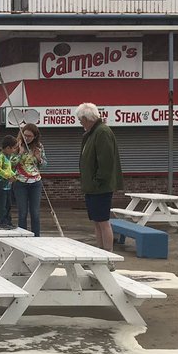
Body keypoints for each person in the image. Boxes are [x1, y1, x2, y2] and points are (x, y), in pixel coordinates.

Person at [76, 103, 121, 251]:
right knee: (97, 221)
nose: (80, 122)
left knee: (103, 221)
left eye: (80, 119)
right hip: (92, 187)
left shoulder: (102, 132)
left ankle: (108, 255)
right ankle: (100, 252)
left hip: (100, 187)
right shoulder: (92, 133)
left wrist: (96, 182)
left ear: (86, 118)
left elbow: (106, 161)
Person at [13, 123, 46, 236]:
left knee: (35, 212)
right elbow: (11, 164)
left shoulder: (39, 147)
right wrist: (20, 153)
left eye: (30, 136)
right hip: (20, 182)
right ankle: (23, 237)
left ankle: (36, 237)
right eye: (25, 135)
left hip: (35, 182)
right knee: (22, 212)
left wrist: (39, 158)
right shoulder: (17, 146)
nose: (26, 138)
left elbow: (45, 164)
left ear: (35, 137)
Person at [0, 136, 18, 229]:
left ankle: (8, 221)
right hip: (1, 185)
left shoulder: (8, 157)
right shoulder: (0, 156)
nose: (14, 150)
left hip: (7, 186)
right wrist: (8, 176)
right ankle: (2, 222)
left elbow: (8, 169)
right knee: (1, 205)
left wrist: (13, 175)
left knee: (8, 205)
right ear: (8, 148)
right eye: (14, 148)